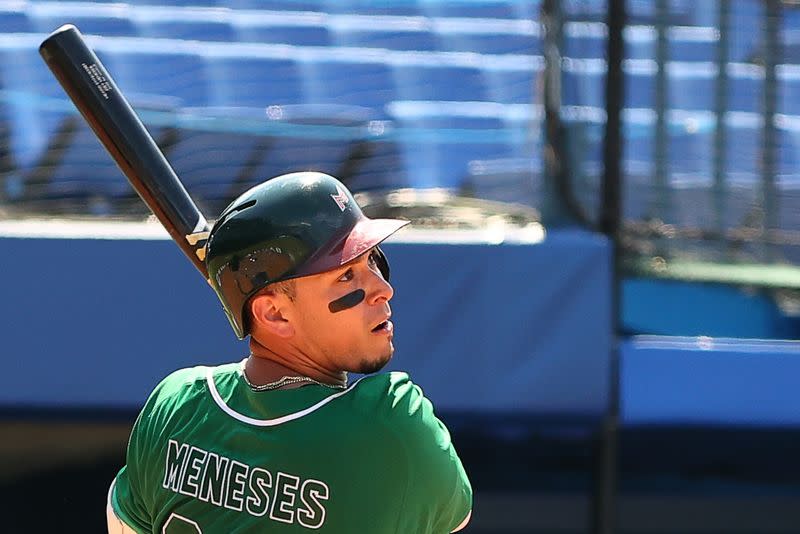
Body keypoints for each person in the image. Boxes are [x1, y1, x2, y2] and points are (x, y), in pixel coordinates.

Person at [106, 172, 473, 533]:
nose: (383, 289)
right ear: (274, 313)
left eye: (373, 260)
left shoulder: (175, 406)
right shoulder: (393, 426)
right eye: (346, 275)